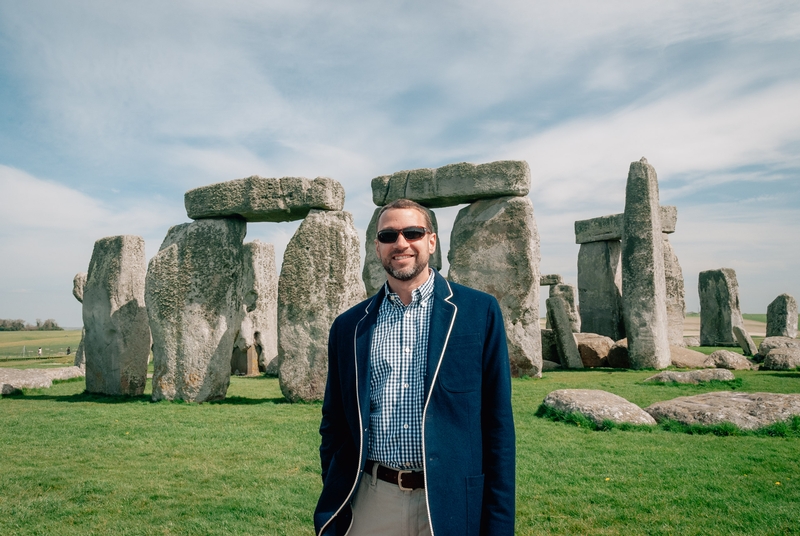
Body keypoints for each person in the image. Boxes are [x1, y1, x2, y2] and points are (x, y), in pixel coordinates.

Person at [314, 198, 515, 536]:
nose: (401, 243)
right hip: (371, 499)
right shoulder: (349, 326)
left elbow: (498, 428)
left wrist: (498, 525)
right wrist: (334, 484)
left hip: (449, 499)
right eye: (389, 236)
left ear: (431, 241)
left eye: (412, 232)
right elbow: (333, 423)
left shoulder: (478, 312)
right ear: (377, 247)